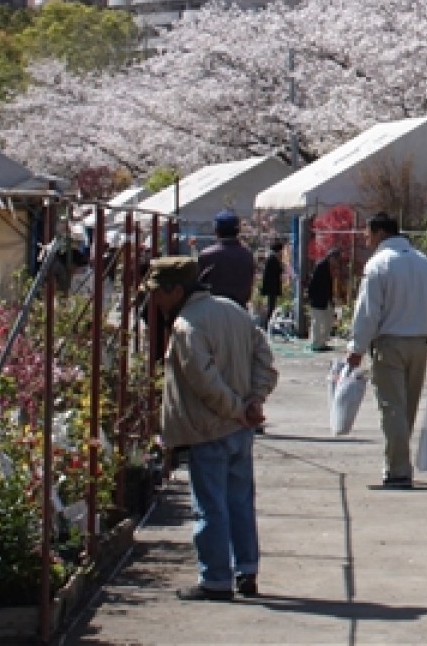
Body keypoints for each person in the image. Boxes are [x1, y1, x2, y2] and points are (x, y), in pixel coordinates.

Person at [147, 255, 278, 602]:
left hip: (210, 428)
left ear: (175, 290)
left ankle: (216, 578)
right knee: (240, 501)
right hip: (239, 429)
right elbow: (265, 358)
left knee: (210, 505)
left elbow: (204, 382)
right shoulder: (233, 311)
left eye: (158, 292)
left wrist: (238, 409)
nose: (155, 300)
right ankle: (246, 569)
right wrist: (253, 402)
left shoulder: (187, 325)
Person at [347, 213, 427, 489]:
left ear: (379, 233)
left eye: (367, 233)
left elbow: (368, 311)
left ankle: (398, 469)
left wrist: (357, 348)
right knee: (407, 408)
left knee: (392, 407)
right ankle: (397, 462)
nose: (365, 240)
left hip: (390, 343)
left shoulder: (379, 264)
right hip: (419, 344)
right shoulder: (425, 264)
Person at [197, 210, 256, 308]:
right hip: (240, 310)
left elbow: (199, 286)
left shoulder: (207, 255)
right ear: (238, 230)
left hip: (213, 311)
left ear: (216, 230)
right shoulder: (247, 255)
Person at [306, 248, 337, 351]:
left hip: (325, 299)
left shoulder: (328, 267)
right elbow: (313, 283)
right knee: (317, 322)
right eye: (335, 259)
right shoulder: (321, 266)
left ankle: (322, 342)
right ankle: (316, 343)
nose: (336, 261)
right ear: (331, 257)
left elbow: (328, 285)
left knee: (327, 320)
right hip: (318, 299)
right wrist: (310, 297)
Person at [256, 238, 285, 331]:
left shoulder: (271, 258)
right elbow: (278, 271)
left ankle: (268, 325)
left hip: (270, 287)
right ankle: (268, 325)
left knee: (271, 306)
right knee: (271, 306)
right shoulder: (273, 259)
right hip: (272, 287)